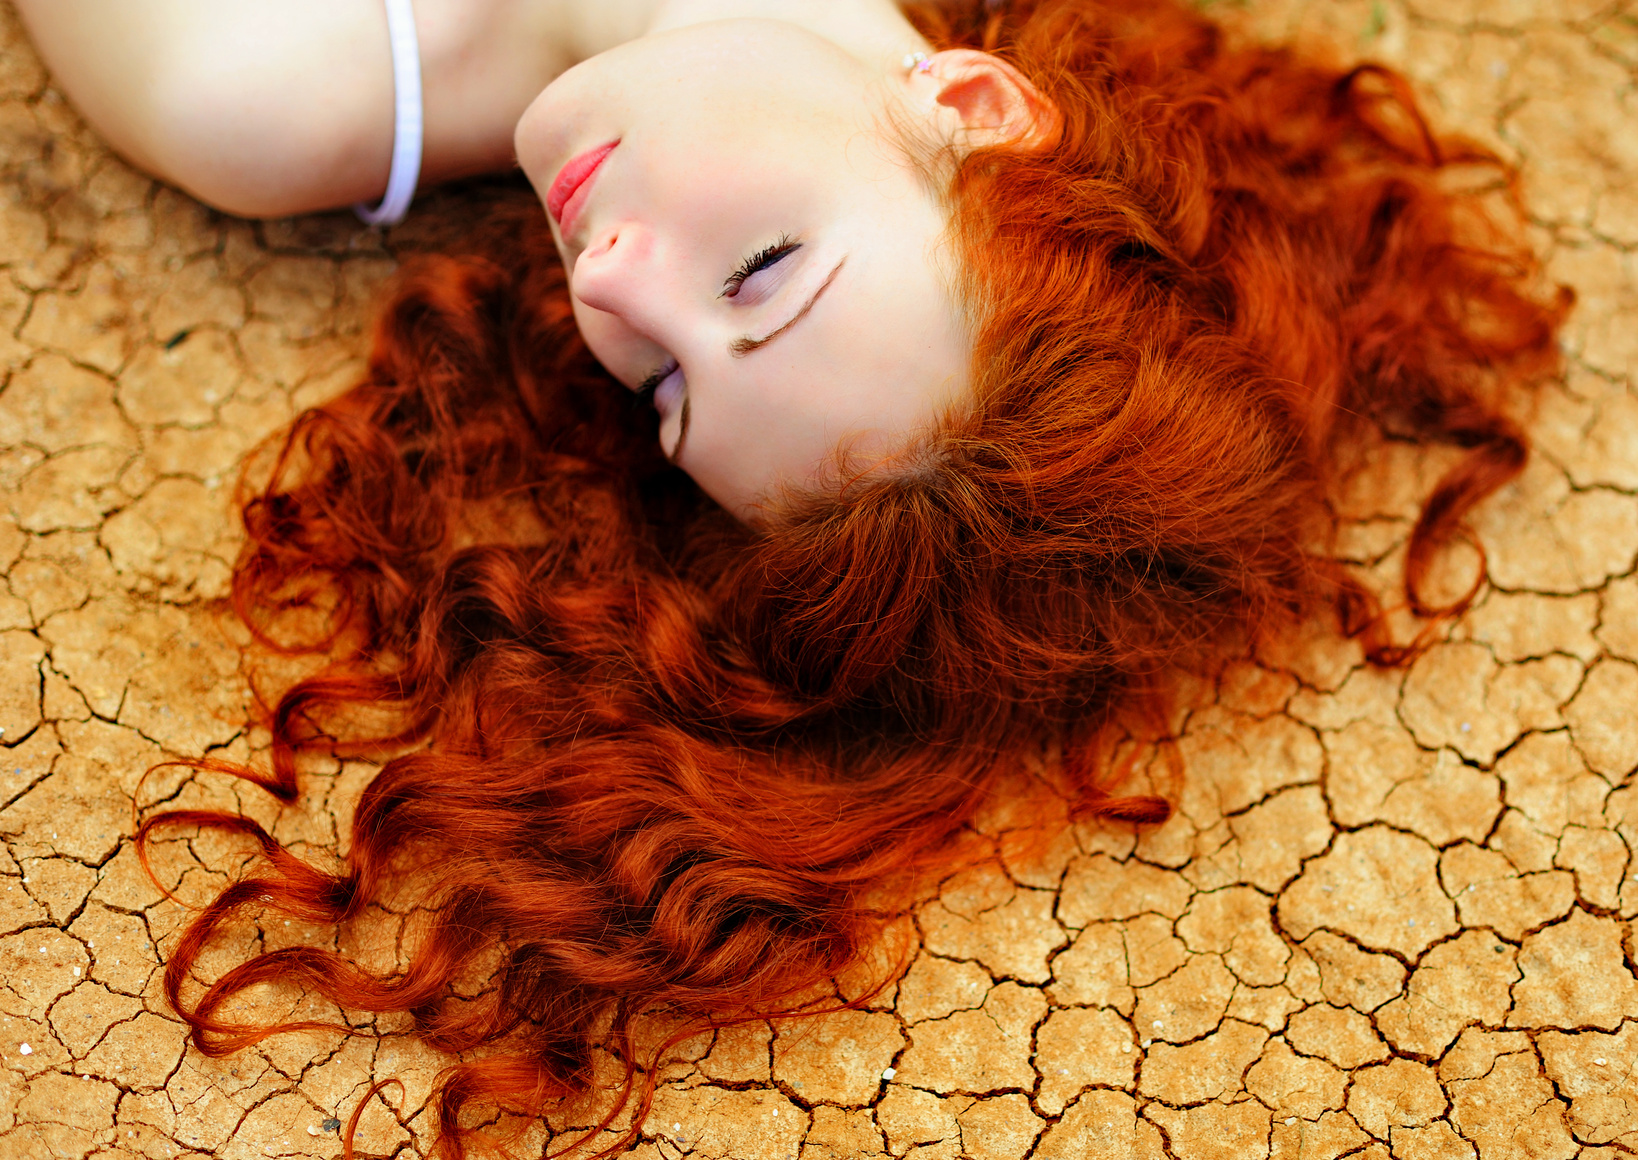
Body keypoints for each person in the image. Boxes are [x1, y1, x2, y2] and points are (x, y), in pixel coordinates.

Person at [17, 0, 1567, 1156]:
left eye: (667, 394)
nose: (609, 286)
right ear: (970, 100)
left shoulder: (259, 86)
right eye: (763, 269)